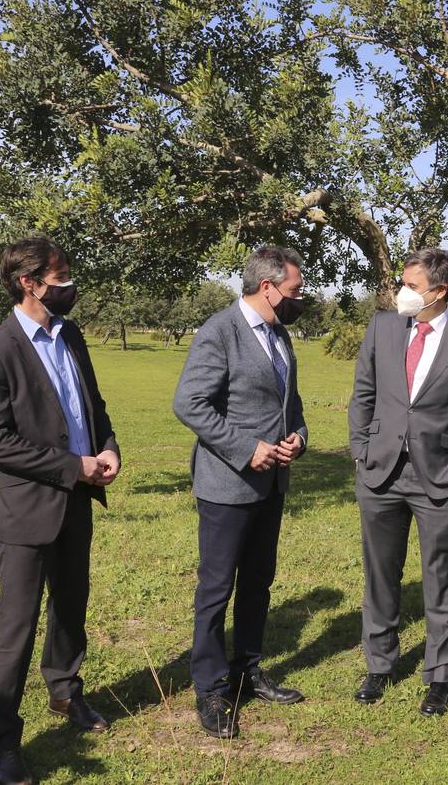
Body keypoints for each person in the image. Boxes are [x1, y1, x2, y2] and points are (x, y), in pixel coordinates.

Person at [0, 237, 121, 785]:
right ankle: (4, 740)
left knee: (70, 608)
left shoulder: (71, 335)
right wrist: (70, 466)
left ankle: (66, 692)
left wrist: (107, 448)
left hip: (77, 501)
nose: (69, 287)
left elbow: (92, 405)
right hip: (27, 509)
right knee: (16, 625)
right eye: (60, 280)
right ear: (28, 283)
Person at [348, 247, 448, 716]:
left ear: (439, 291)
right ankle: (380, 664)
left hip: (439, 477)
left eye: (411, 287)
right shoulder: (383, 327)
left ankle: (441, 674)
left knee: (442, 577)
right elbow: (363, 395)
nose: (401, 293)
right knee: (380, 574)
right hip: (381, 474)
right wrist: (361, 452)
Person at [172, 245, 310, 739]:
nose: (300, 298)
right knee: (216, 589)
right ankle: (210, 687)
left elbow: (289, 404)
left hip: (272, 484)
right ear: (267, 287)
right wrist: (245, 448)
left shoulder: (281, 334)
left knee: (258, 581)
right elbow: (188, 403)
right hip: (227, 486)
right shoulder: (218, 333)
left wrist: (298, 436)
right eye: (294, 290)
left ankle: (247, 669)